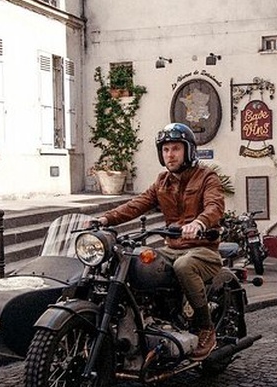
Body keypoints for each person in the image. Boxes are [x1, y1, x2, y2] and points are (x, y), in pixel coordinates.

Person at [95, 123, 225, 361]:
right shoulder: (162, 182)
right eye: (165, 150)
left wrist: (199, 223)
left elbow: (214, 206)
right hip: (171, 248)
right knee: (135, 261)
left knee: (184, 266)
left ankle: (206, 328)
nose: (170, 155)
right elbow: (137, 204)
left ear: (188, 151)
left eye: (175, 149)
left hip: (202, 248)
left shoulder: (207, 177)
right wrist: (105, 219)